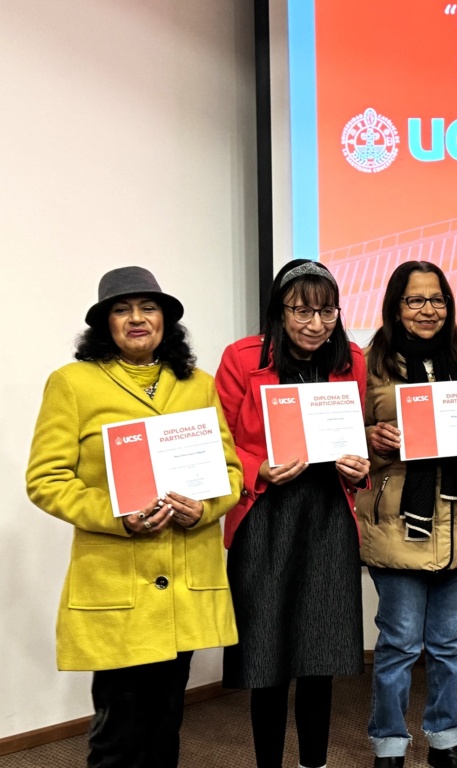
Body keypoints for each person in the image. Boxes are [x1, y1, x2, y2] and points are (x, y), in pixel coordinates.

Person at [26, 266, 243, 768]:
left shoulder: (198, 385)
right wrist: (117, 516)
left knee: (167, 726)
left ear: (166, 319)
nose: (137, 318)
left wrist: (204, 508)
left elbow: (230, 472)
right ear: (105, 324)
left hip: (185, 583)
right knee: (119, 734)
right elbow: (45, 480)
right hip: (117, 586)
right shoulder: (72, 384)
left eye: (148, 307)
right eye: (122, 310)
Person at [216, 259, 371, 768]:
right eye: (302, 311)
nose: (315, 324)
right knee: (268, 656)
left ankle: (314, 762)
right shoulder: (242, 358)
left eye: (327, 311)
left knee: (319, 655)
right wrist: (257, 468)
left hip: (327, 516)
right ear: (279, 312)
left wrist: (358, 468)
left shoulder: (352, 358)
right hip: (265, 515)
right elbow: (219, 439)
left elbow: (355, 437)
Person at [358, 261, 457, 768]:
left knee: (448, 644)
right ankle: (389, 747)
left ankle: (445, 742)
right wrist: (371, 440)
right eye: (415, 300)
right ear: (395, 306)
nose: (428, 310)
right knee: (399, 644)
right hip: (398, 517)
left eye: (437, 300)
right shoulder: (369, 362)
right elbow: (346, 443)